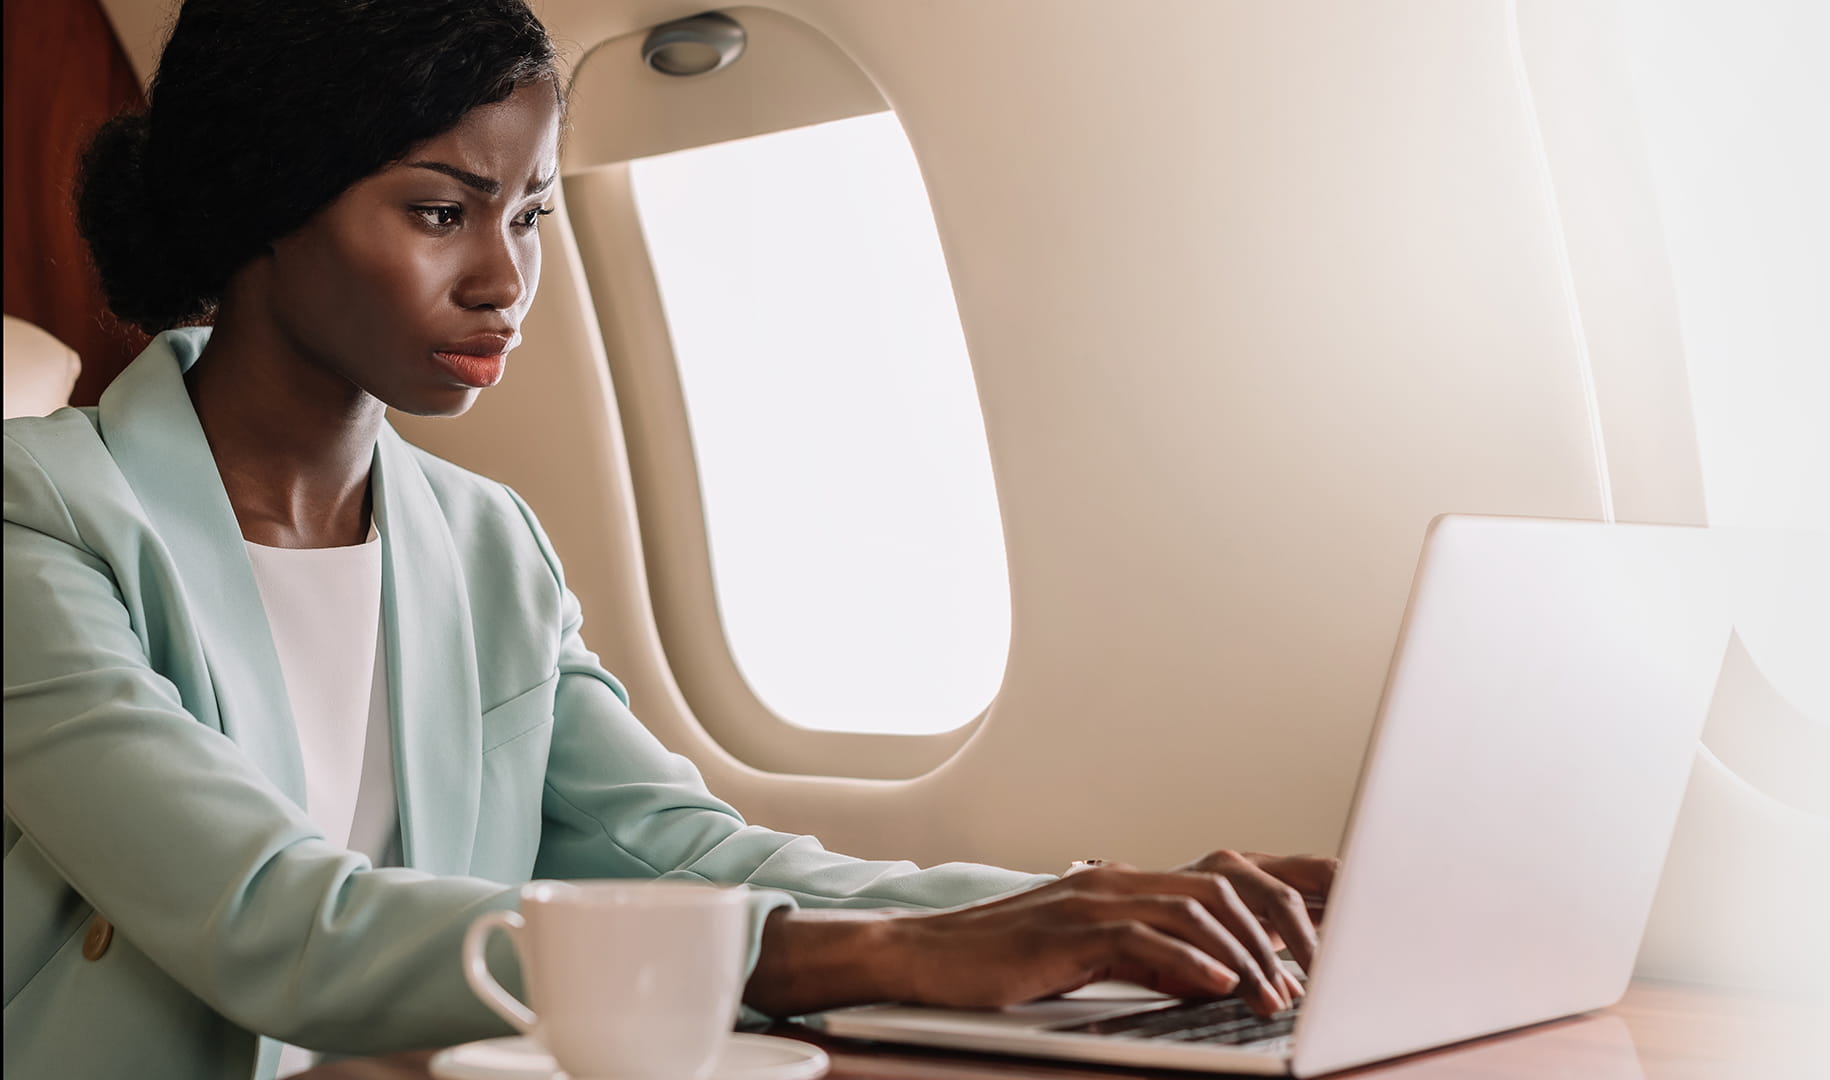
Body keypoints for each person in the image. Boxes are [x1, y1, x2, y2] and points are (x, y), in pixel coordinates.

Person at [1, 3, 1337, 1077]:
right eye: (438, 209)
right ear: (263, 206)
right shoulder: (39, 515)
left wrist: (1090, 914)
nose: (506, 280)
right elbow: (272, 920)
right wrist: (884, 959)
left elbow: (691, 858)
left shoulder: (483, 544)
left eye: (529, 214)